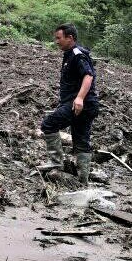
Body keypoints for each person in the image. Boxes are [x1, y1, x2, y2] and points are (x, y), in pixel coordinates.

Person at [39, 23, 100, 184]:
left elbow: (88, 76)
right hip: (86, 104)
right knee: (81, 138)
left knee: (48, 124)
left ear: (70, 38)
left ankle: (56, 162)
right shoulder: (69, 54)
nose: (56, 41)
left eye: (59, 38)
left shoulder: (77, 54)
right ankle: (83, 179)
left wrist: (79, 98)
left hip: (80, 103)